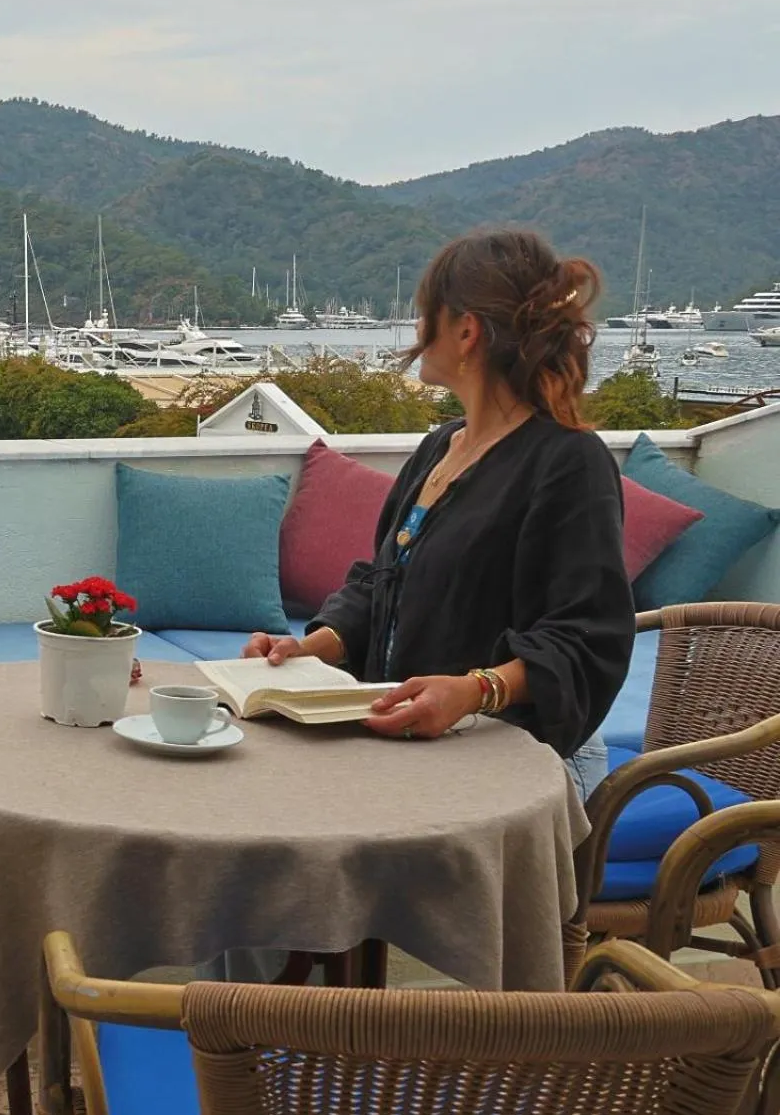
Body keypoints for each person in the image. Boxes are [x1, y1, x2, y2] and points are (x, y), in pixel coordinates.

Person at [244, 228, 635, 801]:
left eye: (425, 314)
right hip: (423, 750)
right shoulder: (440, 448)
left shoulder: (569, 464)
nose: (417, 331)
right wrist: (307, 649)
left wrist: (475, 690)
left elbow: (588, 640)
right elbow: (383, 587)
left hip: (522, 762)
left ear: (466, 329)